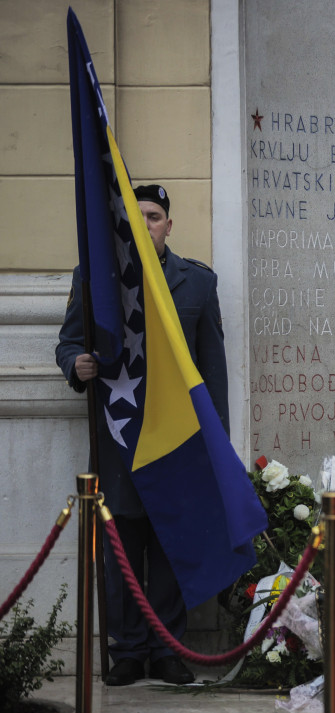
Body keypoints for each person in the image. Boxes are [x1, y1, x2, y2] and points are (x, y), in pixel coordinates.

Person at [56, 184, 230, 686]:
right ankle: (127, 651)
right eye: (137, 217)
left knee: (171, 545)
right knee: (122, 548)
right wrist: (77, 363)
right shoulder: (94, 279)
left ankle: (167, 649)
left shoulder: (197, 284)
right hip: (121, 437)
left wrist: (215, 443)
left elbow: (212, 370)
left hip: (178, 439)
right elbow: (68, 343)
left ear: (168, 225)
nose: (146, 224)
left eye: (153, 216)